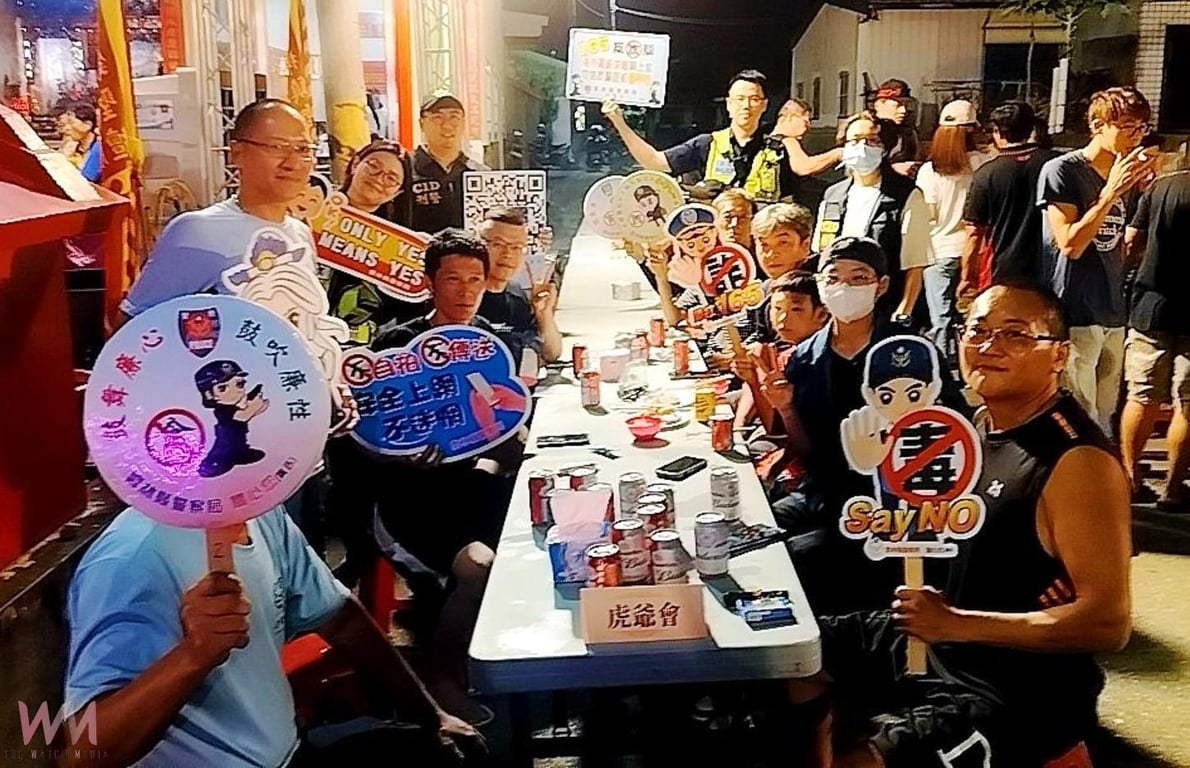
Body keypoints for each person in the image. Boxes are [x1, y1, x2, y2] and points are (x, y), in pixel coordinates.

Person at [806, 281, 1131, 768]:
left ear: (1059, 355)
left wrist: (956, 623)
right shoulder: (977, 427)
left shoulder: (1077, 460)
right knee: (791, 653)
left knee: (859, 761)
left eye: (1016, 334)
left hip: (1014, 689)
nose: (989, 346)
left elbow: (1107, 623)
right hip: (939, 641)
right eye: (977, 331)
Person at [63, 506, 484, 768]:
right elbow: (83, 753)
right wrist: (193, 655)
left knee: (453, 755)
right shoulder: (130, 559)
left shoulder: (259, 510)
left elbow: (340, 618)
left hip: (290, 752)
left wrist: (432, 716)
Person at [364, 230, 522, 724]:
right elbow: (364, 438)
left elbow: (507, 427)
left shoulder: (493, 344)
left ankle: (513, 656)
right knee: (480, 566)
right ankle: (444, 681)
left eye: (475, 279)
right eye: (452, 279)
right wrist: (402, 456)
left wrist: (500, 454)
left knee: (538, 538)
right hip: (411, 502)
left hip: (474, 488)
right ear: (429, 282)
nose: (465, 290)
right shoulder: (395, 345)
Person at [756, 237, 953, 614]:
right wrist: (787, 408)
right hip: (822, 492)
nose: (844, 288)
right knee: (756, 536)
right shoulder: (804, 358)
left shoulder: (911, 352)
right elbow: (809, 451)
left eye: (859, 277)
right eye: (833, 278)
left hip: (889, 506)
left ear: (881, 285)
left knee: (799, 558)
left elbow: (948, 439)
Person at [1038, 86, 1158, 436]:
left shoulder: (1127, 174)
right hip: (1075, 307)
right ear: (1097, 125)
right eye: (1127, 126)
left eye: (1142, 127)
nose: (1135, 136)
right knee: (1079, 412)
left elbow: (1122, 241)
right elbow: (1069, 244)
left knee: (1106, 414)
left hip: (1113, 308)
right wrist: (1109, 194)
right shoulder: (1062, 170)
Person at [602, 70, 811, 204]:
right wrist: (619, 121)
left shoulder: (779, 149)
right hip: (715, 245)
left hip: (762, 245)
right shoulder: (706, 144)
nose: (746, 106)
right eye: (739, 99)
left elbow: (788, 201)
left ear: (764, 105)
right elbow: (653, 161)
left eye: (754, 99)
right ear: (728, 104)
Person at [812, 111, 932, 327]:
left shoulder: (906, 195)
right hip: (837, 308)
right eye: (855, 140)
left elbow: (915, 264)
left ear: (885, 148)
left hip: (885, 308)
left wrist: (903, 311)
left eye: (872, 140)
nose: (863, 147)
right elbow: (821, 253)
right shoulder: (833, 195)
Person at [1120, 170, 1190, 509]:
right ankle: (1173, 490)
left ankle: (1131, 481)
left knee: (1141, 395)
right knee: (1188, 403)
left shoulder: (1163, 185)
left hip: (1151, 304)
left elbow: (1131, 240)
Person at [960, 101, 1061, 296]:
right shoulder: (1057, 164)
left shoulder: (986, 174)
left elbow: (974, 232)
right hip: (1054, 266)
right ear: (1032, 129)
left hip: (1005, 270)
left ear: (997, 132)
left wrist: (967, 277)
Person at [914, 100, 991, 358]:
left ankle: (941, 364)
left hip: (938, 250)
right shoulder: (984, 164)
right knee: (975, 314)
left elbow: (928, 214)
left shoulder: (929, 171)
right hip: (975, 249)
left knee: (940, 317)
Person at [324, 139, 419, 347]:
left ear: (398, 193)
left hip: (361, 348)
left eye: (391, 178)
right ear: (355, 163)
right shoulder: (315, 210)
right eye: (374, 166)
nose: (379, 178)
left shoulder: (397, 244)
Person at [477, 207, 563, 366]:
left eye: (517, 247)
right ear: (478, 246)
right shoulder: (464, 296)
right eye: (498, 244)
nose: (507, 254)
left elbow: (551, 353)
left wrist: (544, 315)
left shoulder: (517, 295)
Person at [409, 91, 488, 235]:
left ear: (463, 123)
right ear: (421, 124)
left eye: (454, 117)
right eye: (437, 117)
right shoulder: (404, 169)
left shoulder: (482, 174)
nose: (447, 125)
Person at [741, 202, 817, 346]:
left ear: (805, 244)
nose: (771, 254)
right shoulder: (765, 288)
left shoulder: (820, 288)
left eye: (783, 243)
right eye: (764, 244)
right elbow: (748, 328)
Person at [870, 78, 920, 176]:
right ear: (878, 105)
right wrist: (893, 169)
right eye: (897, 105)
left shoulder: (908, 133)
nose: (903, 111)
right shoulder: (865, 130)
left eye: (906, 106)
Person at [58, 104, 101, 182]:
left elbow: (86, 179)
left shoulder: (98, 148)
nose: (66, 128)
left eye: (71, 122)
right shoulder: (71, 148)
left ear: (87, 125)